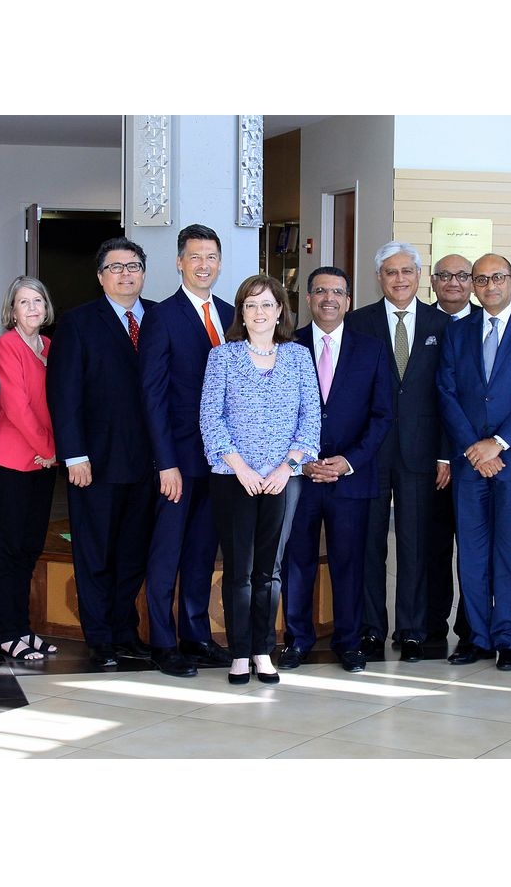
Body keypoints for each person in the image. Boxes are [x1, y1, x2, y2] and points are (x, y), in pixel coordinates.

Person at [438, 253, 511, 671]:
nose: (489, 285)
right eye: (481, 279)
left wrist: (499, 444)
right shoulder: (458, 331)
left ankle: (508, 638)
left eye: (497, 278)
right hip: (471, 461)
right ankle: (476, 637)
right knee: (471, 553)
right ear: (472, 284)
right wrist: (475, 446)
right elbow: (447, 393)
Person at [201, 274, 320, 685]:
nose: (259, 312)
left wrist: (286, 467)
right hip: (234, 477)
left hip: (282, 480)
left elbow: (310, 419)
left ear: (281, 311)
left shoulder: (298, 357)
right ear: (241, 312)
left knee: (269, 570)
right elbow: (210, 418)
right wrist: (242, 468)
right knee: (239, 569)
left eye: (267, 304)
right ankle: (238, 653)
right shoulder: (223, 356)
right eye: (251, 305)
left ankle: (262, 650)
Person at [48, 237, 157, 669]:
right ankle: (100, 637)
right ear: (100, 276)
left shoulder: (160, 318)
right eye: (115, 267)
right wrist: (74, 454)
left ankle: (125, 630)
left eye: (133, 266)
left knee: (133, 552)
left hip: (148, 461)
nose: (125, 274)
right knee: (95, 552)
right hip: (95, 461)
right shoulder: (78, 323)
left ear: (144, 272)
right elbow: (64, 393)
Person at [279, 266, 393, 673]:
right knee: (298, 560)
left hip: (351, 476)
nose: (329, 298)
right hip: (298, 477)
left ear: (348, 300)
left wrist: (348, 461)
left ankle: (349, 641)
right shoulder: (287, 346)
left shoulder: (372, 348)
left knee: (350, 562)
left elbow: (382, 415)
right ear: (308, 299)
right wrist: (302, 460)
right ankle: (297, 640)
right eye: (321, 291)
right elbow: (278, 414)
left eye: (338, 292)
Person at [139, 224, 236, 677]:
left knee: (202, 552)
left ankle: (195, 635)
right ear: (179, 262)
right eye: (195, 257)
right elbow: (153, 395)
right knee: (167, 554)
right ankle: (162, 641)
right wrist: (166, 462)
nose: (203, 265)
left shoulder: (232, 314)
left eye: (211, 257)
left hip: (221, 462)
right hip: (178, 460)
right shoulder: (162, 315)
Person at [346, 242, 449, 662]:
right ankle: (371, 628)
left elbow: (450, 395)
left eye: (407, 271)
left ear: (419, 276)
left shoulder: (442, 324)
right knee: (370, 544)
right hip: (370, 453)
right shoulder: (357, 323)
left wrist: (444, 454)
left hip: (423, 455)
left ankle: (412, 629)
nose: (400, 279)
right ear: (379, 278)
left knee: (415, 544)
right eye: (391, 272)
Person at [0, 276, 60, 662]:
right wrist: (49, 449)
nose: (32, 308)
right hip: (13, 462)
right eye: (23, 302)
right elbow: (16, 407)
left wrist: (52, 453)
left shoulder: (49, 346)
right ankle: (6, 632)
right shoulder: (7, 345)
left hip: (43, 463)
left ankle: (24, 629)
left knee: (30, 548)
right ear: (11, 311)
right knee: (9, 549)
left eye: (38, 301)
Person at [426, 254, 473, 654]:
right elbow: (429, 399)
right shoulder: (420, 322)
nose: (453, 282)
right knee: (436, 549)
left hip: (479, 458)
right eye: (445, 275)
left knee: (475, 550)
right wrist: (442, 454)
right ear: (433, 281)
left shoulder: (486, 325)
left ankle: (471, 629)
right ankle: (432, 627)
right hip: (432, 463)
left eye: (462, 275)